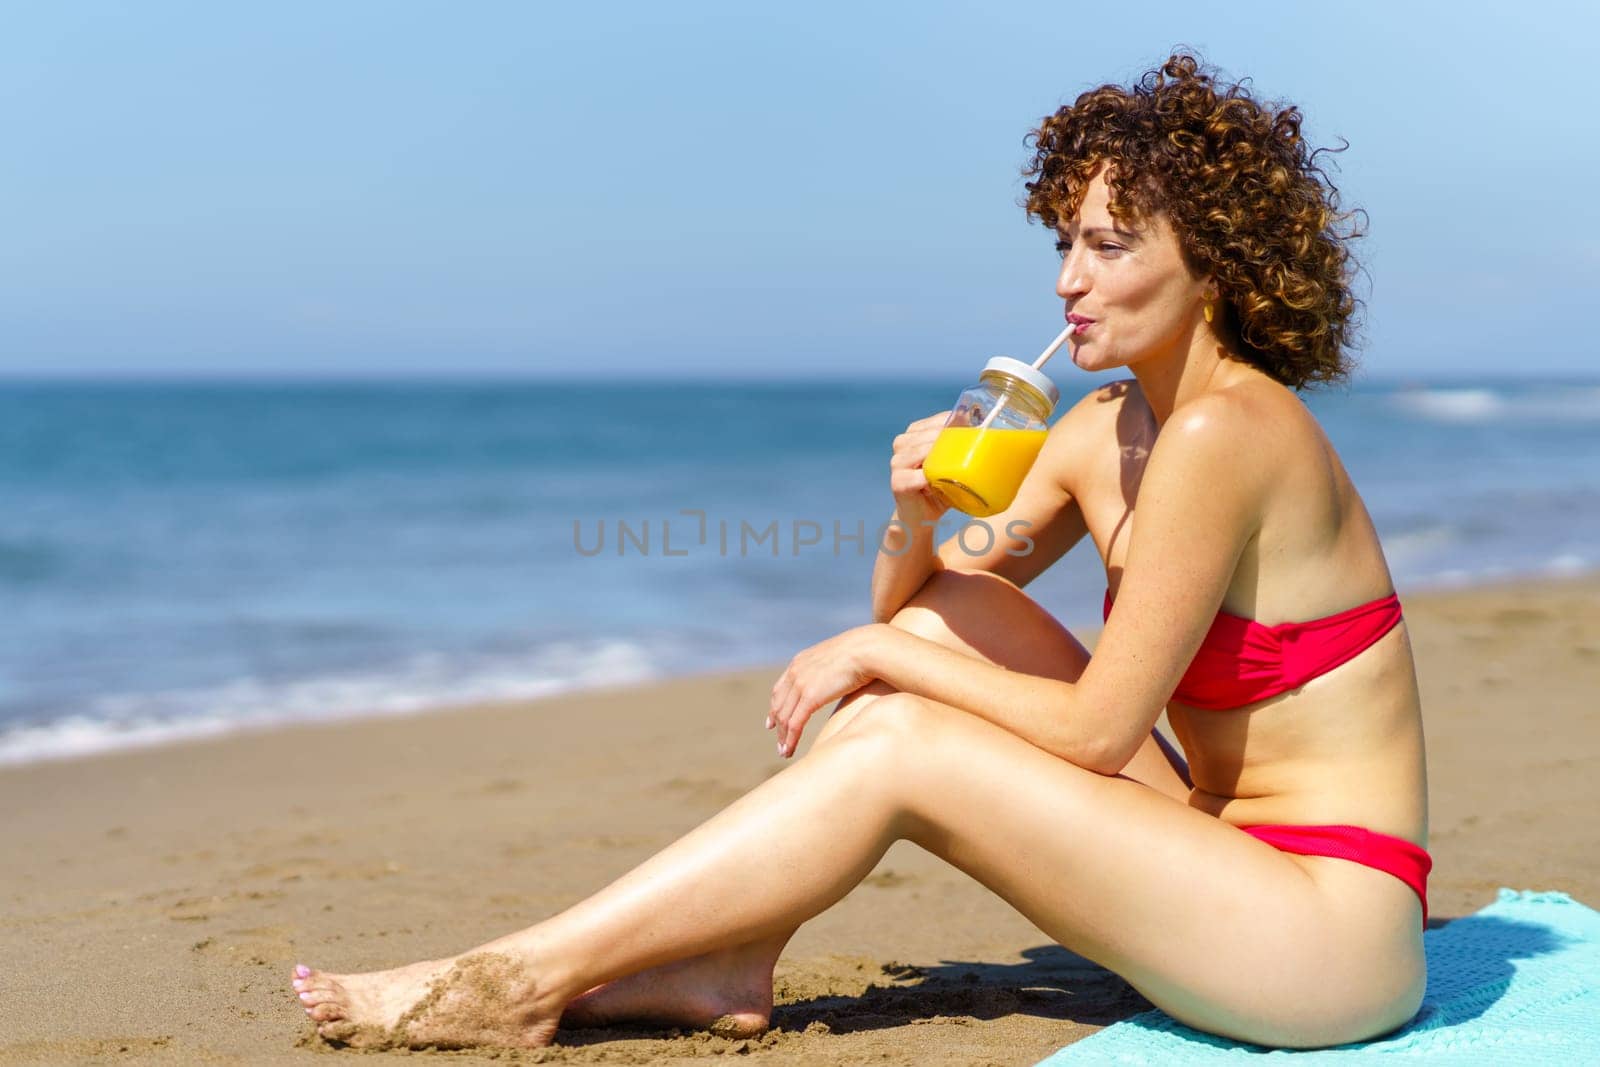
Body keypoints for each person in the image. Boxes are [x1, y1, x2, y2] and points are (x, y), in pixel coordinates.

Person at [290, 52, 1430, 1051]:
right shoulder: (1101, 429)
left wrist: (868, 657)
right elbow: (927, 599)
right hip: (1219, 853)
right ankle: (725, 959)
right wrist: (914, 513)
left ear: (1214, 262)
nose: (1064, 279)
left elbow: (1095, 733)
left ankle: (521, 975)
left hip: (1324, 937)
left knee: (901, 733)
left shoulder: (1227, 430)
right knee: (938, 630)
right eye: (1062, 241)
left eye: (1105, 246)